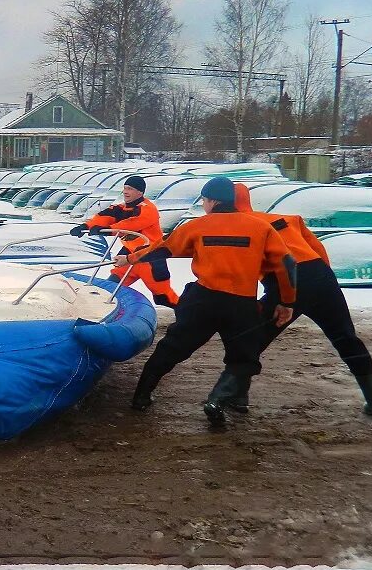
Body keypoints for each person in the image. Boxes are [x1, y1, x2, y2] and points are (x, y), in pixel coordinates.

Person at [116, 176, 296, 425]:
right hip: (241, 304)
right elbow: (287, 264)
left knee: (173, 348)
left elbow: (163, 248)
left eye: (204, 200)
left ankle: (141, 396)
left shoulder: (198, 225)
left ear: (211, 200)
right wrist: (287, 301)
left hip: (204, 300)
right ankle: (217, 399)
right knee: (244, 358)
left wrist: (131, 258)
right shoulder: (260, 228)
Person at [233, 182, 372, 417]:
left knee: (251, 340)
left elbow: (241, 269)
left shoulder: (236, 226)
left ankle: (236, 397)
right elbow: (317, 248)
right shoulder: (287, 218)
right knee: (346, 338)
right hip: (320, 275)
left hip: (285, 280)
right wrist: (323, 284)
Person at [70, 175, 179, 308]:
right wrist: (86, 227)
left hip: (149, 258)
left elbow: (131, 224)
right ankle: (103, 315)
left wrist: (108, 230)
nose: (126, 191)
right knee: (110, 289)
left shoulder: (148, 209)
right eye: (125, 188)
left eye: (130, 189)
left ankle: (189, 316)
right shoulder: (120, 208)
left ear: (140, 192)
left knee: (164, 297)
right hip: (127, 256)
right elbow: (104, 216)